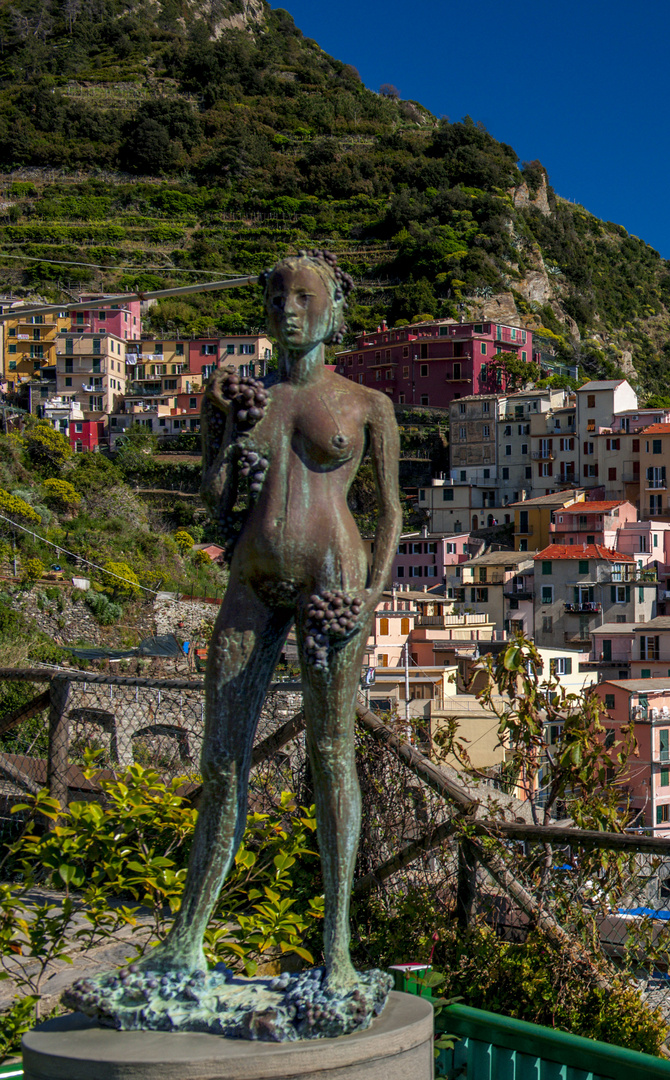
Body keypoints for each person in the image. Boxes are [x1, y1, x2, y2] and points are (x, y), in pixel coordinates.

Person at [129, 251, 400, 1001]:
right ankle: (187, 939)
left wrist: (372, 600)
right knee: (220, 760)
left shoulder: (366, 403)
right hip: (249, 581)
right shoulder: (251, 397)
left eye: (304, 297)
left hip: (332, 581)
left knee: (330, 753)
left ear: (332, 308)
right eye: (278, 297)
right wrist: (220, 428)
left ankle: (338, 946)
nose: (289, 309)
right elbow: (217, 500)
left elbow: (392, 515)